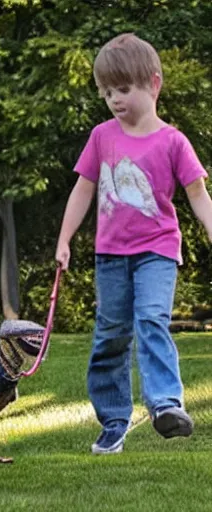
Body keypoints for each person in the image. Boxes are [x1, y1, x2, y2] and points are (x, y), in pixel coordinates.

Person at [55, 33, 212, 455]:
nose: (114, 100)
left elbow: (198, 195)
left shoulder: (173, 141)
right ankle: (113, 422)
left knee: (151, 321)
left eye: (123, 90)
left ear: (153, 85)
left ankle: (165, 405)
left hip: (157, 251)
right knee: (110, 335)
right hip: (110, 256)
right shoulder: (102, 136)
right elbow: (82, 191)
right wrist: (65, 239)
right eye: (107, 92)